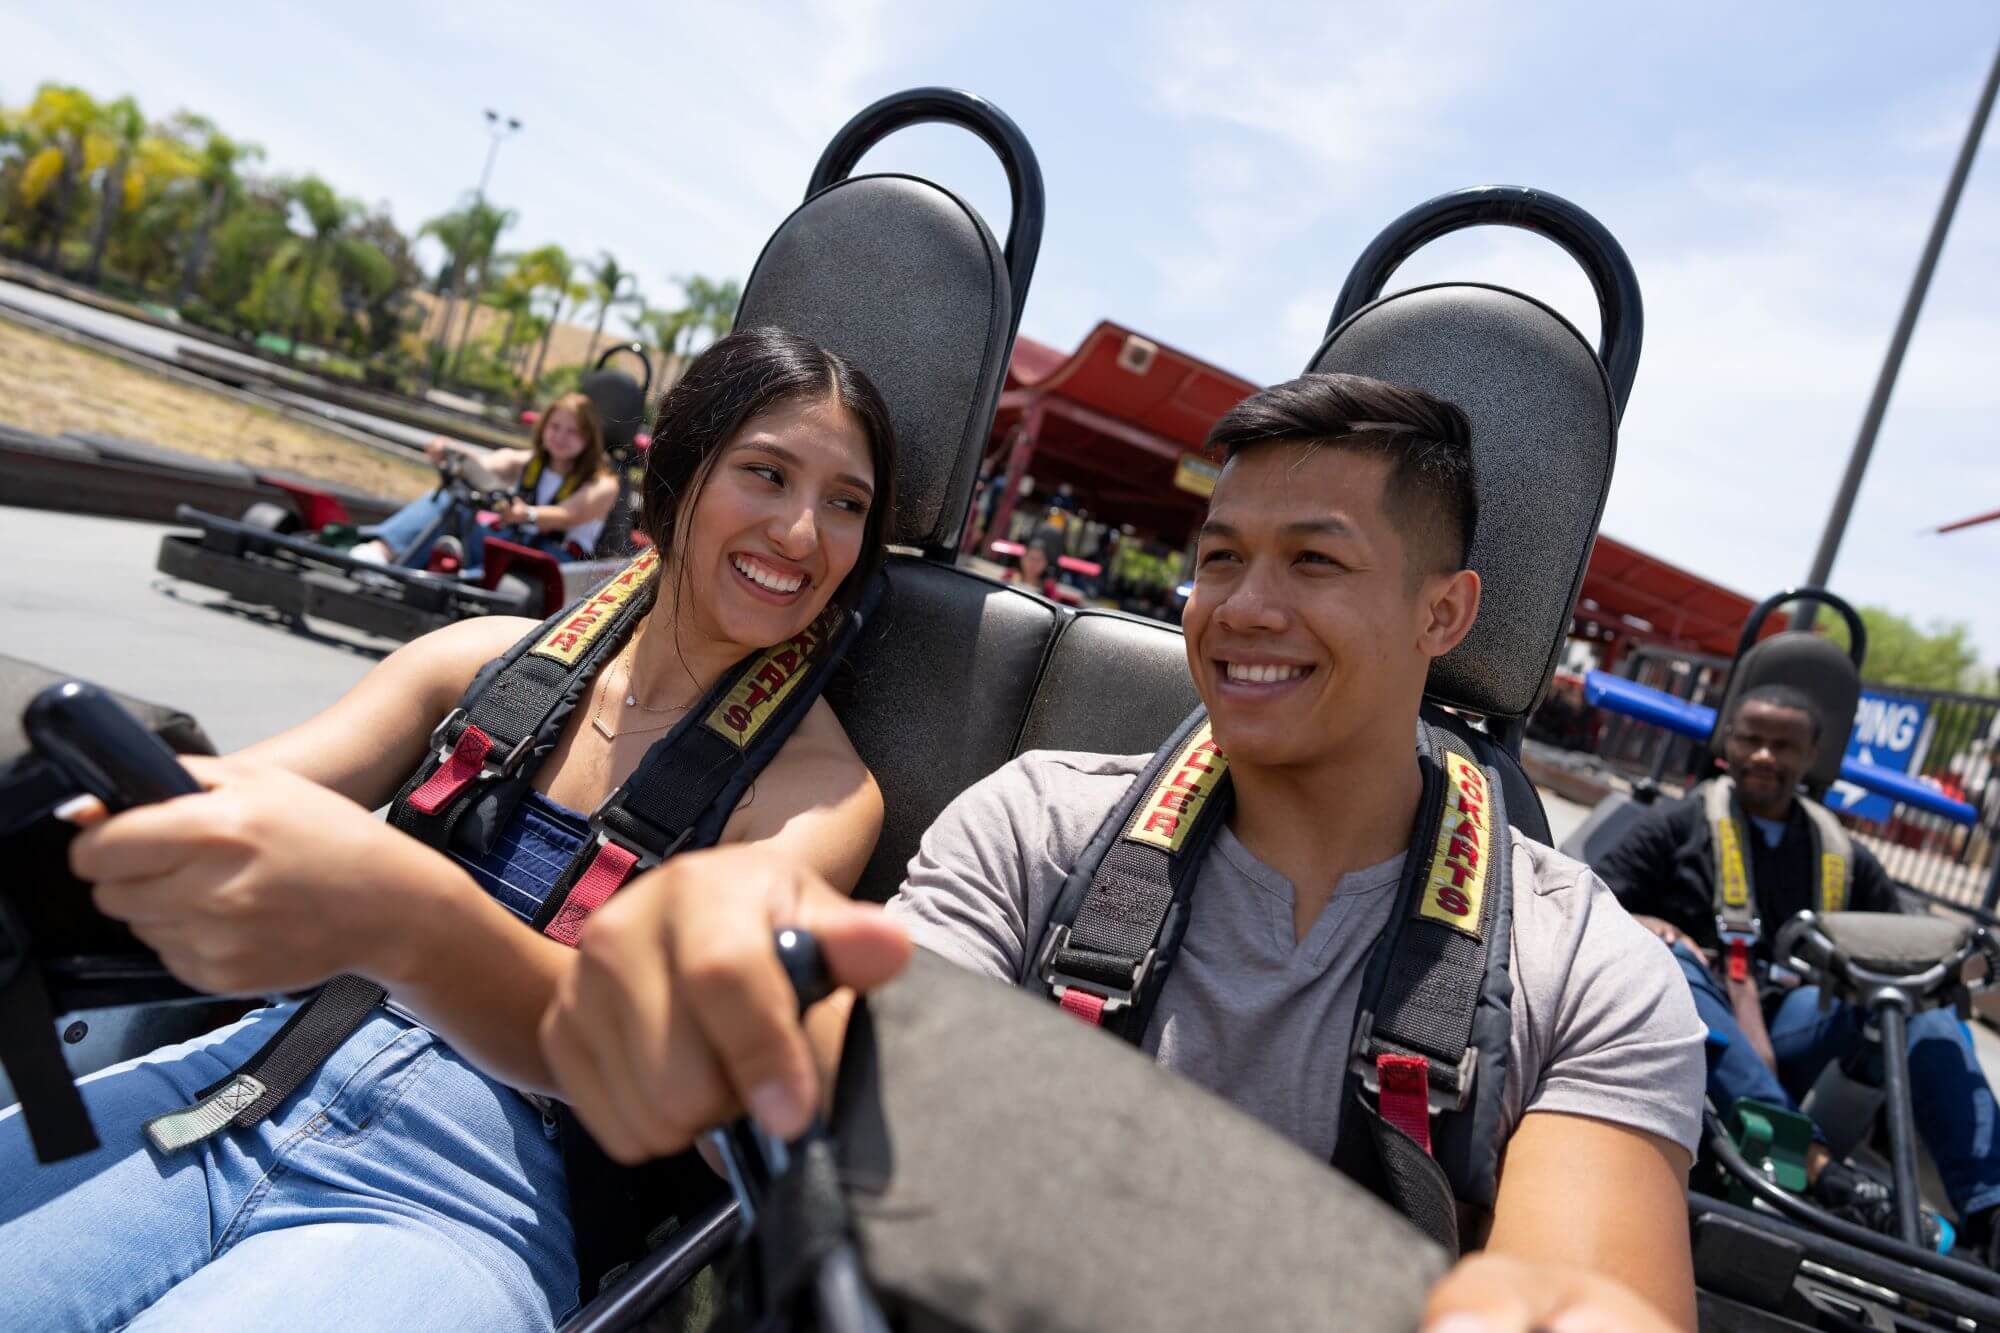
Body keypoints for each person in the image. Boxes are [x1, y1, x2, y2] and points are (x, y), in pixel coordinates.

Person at [538, 373, 1710, 1331]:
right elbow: (861, 1094)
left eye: (1313, 562)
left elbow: (1591, 1299)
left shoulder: (1583, 973)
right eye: (1218, 558)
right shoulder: (1037, 826)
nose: (1242, 606)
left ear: (1443, 616)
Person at [0, 328, 898, 1331]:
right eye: (766, 475)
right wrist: (77, 802)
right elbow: (229, 798)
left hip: (464, 1206)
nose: (801, 532)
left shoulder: (818, 796)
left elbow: (657, 1051)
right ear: (678, 477)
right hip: (241, 1085)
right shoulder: (478, 658)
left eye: (845, 503)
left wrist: (401, 911)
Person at [1595, 685, 2000, 1257]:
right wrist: (1650, 925)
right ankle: (1815, 1168)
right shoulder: (1675, 826)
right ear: (1728, 743)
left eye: (1783, 746)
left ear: (1811, 756)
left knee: (1919, 1008)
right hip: (1700, 1023)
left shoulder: (1842, 853)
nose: (1765, 756)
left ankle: (1990, 1209)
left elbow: (1904, 944)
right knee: (1669, 964)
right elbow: (1587, 900)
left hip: (1799, 1024)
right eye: (1752, 741)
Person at [350, 391, 622, 569]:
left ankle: (400, 568)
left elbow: (566, 515)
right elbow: (485, 465)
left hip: (556, 563)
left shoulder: (602, 483)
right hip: (516, 544)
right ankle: (382, 554)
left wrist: (524, 514)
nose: (560, 437)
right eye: (555, 427)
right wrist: (452, 454)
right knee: (453, 501)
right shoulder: (529, 462)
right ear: (543, 428)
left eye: (572, 432)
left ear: (589, 439)